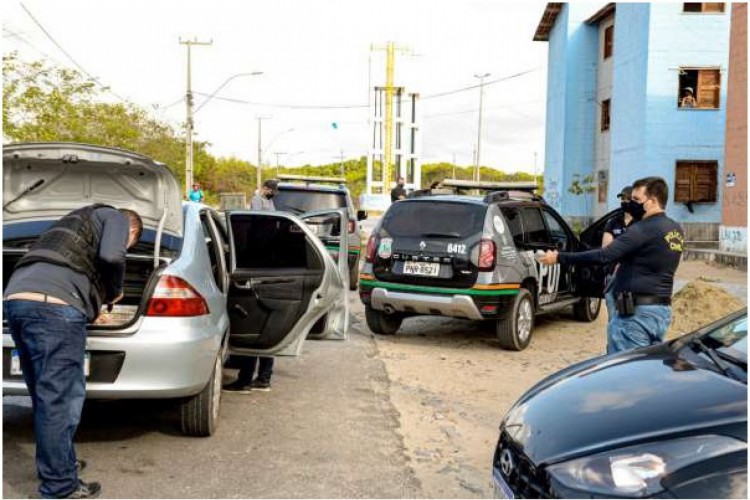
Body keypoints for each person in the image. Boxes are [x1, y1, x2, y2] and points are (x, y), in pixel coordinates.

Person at [4, 205, 143, 499]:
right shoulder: (118, 217)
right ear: (132, 232)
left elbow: (70, 273)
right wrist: (113, 291)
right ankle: (60, 487)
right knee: (60, 401)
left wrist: (90, 307)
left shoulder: (72, 224)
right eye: (130, 244)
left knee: (45, 397)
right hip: (54, 307)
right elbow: (110, 256)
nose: (126, 248)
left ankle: (61, 465)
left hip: (16, 300)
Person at [539, 177, 684, 353]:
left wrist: (560, 257)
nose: (632, 204)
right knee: (646, 370)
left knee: (623, 373)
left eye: (637, 200)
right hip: (660, 313)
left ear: (652, 201)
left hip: (635, 315)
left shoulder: (643, 229)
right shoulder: (675, 229)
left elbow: (604, 254)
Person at [224, 178, 279, 393]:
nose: (273, 194)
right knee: (265, 332)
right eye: (271, 191)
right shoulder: (263, 209)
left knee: (253, 330)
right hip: (267, 278)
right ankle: (261, 378)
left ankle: (246, 380)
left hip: (257, 280)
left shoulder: (262, 208)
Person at [601, 185, 634, 352]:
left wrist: (619, 247)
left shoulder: (641, 223)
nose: (623, 202)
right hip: (612, 277)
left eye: (627, 199)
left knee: (629, 319)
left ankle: (627, 354)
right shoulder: (613, 221)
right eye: (622, 198)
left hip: (631, 280)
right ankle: (612, 355)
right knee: (613, 320)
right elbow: (606, 248)